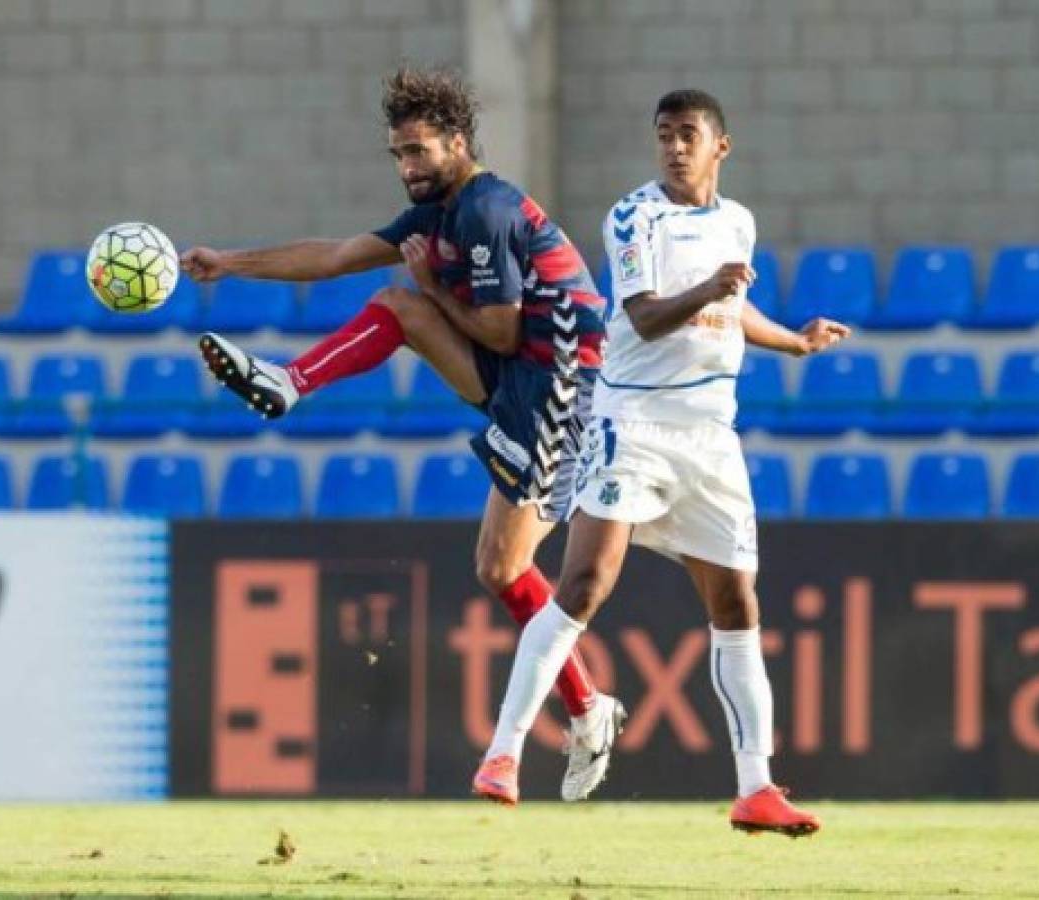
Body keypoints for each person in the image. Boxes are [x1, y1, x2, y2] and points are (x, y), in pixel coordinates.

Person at [179, 67, 624, 801]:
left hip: (564, 397)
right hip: (520, 384)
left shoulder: (484, 209)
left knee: (504, 564)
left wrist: (436, 289)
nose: (407, 167)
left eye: (417, 151)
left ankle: (578, 712)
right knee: (497, 566)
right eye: (397, 154)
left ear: (456, 142)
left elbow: (503, 330)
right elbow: (333, 255)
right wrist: (228, 263)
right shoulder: (436, 213)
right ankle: (287, 383)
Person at [470, 89, 850, 835]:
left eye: (686, 135)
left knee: (737, 605)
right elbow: (643, 312)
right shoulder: (633, 216)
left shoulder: (736, 221)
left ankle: (755, 789)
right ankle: (504, 753)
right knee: (583, 584)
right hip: (632, 424)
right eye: (663, 136)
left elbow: (731, 311)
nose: (673, 148)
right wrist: (707, 286)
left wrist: (791, 340)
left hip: (710, 437)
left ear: (720, 146)